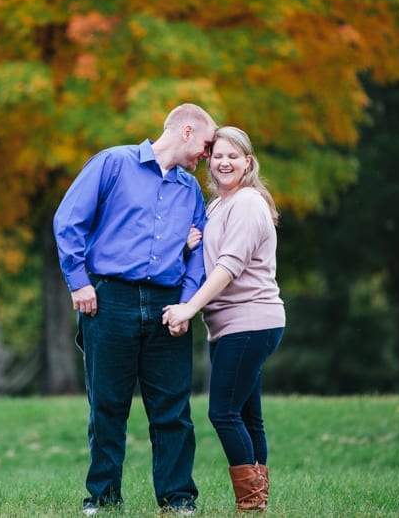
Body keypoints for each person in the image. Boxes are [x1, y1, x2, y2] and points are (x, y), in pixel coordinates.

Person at [53, 103, 217, 516]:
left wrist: (185, 303)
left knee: (174, 410)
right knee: (107, 405)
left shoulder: (190, 190)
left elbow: (198, 256)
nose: (209, 154)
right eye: (206, 143)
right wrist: (79, 281)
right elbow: (68, 220)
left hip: (166, 306)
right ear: (186, 132)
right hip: (110, 300)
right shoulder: (113, 163)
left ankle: (178, 499)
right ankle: (104, 499)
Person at [162, 126, 285, 512]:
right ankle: (257, 499)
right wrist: (186, 245)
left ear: (248, 162)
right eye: (217, 156)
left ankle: (251, 502)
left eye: (233, 156)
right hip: (232, 326)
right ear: (209, 163)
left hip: (250, 322)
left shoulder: (247, 203)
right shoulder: (217, 206)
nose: (224, 162)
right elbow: (208, 258)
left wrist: (188, 308)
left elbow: (229, 266)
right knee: (249, 415)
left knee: (223, 412)